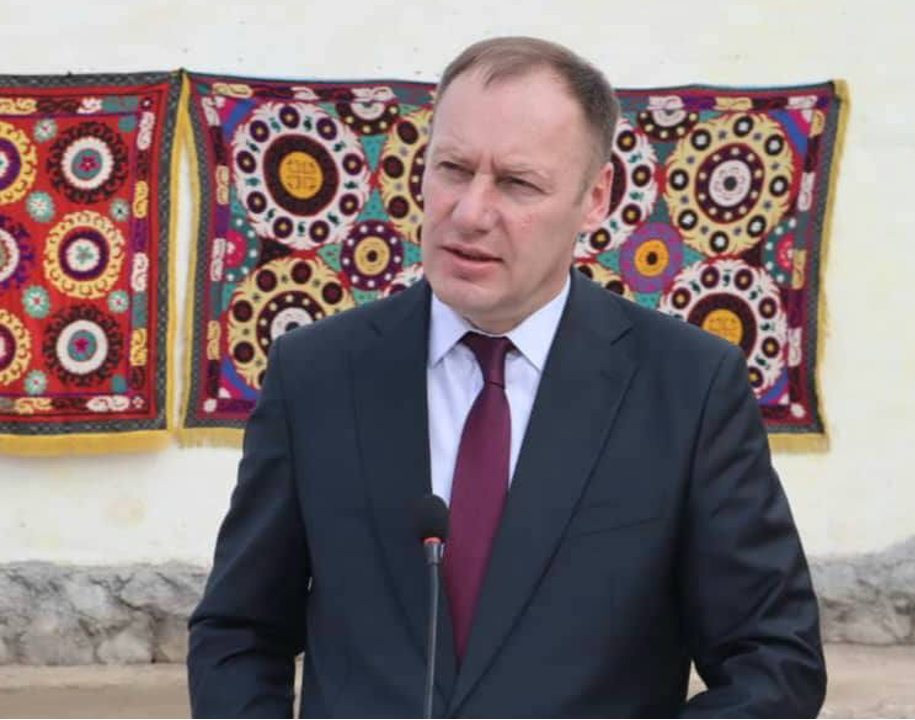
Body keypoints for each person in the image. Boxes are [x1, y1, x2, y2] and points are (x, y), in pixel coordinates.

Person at [188, 36, 826, 718]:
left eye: (518, 183)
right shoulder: (314, 373)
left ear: (595, 198)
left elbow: (773, 659)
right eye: (452, 169)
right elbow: (238, 634)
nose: (469, 213)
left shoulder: (689, 387)